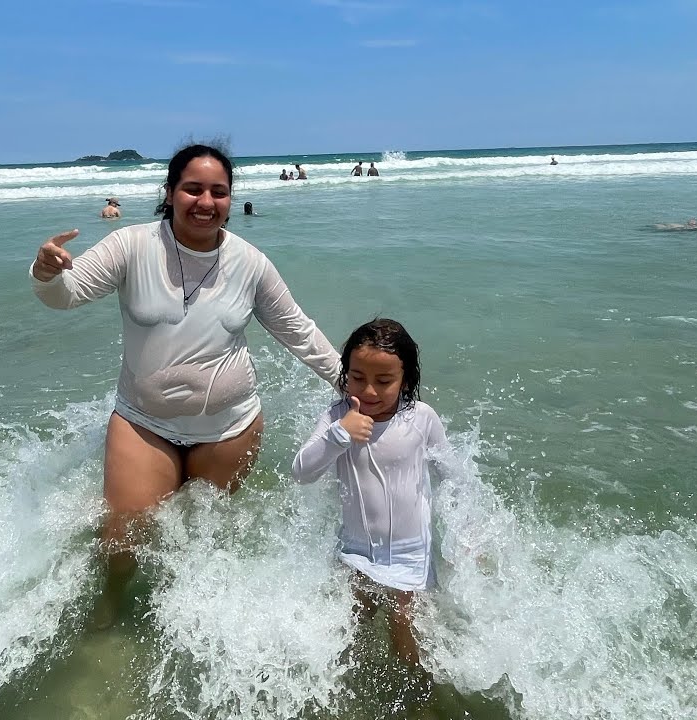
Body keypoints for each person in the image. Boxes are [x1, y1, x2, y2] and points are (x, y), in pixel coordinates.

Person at [30, 143, 341, 627]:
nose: (205, 201)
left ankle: (183, 622)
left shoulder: (250, 263)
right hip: (143, 423)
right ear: (170, 192)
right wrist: (46, 274)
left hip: (229, 429)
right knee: (123, 534)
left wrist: (352, 382)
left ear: (230, 200)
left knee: (199, 537)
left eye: (218, 192)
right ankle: (110, 603)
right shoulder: (132, 245)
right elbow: (65, 296)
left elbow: (297, 331)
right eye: (193, 188)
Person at [292, 318, 449, 671]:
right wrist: (339, 434)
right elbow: (302, 471)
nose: (369, 391)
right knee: (352, 626)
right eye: (358, 378)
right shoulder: (337, 417)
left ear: (405, 380)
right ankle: (345, 692)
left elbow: (452, 478)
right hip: (356, 550)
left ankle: (417, 700)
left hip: (411, 553)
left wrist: (468, 532)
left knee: (405, 628)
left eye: (384, 381)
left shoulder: (421, 419)